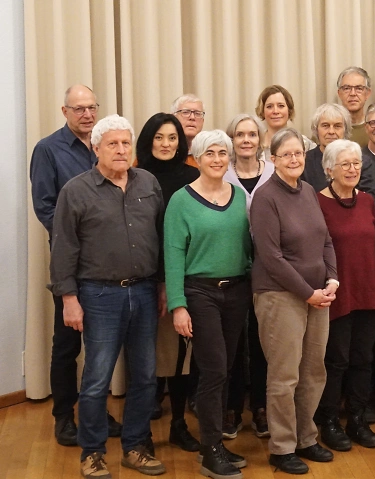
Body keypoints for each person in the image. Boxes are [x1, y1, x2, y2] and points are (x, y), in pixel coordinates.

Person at [49, 114, 165, 477]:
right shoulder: (76, 191)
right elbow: (63, 249)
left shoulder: (148, 182)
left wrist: (162, 286)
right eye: (112, 144)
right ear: (96, 148)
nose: (120, 150)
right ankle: (93, 451)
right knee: (97, 378)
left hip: (145, 292)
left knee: (145, 375)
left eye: (125, 143)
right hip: (99, 295)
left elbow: (161, 241)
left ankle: (134, 447)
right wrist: (69, 298)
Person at [30, 84, 122, 446]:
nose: (86, 114)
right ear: (64, 111)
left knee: (102, 345)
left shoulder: (103, 147)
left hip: (107, 265)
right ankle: (63, 418)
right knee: (67, 344)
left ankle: (96, 413)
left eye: (91, 107)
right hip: (71, 262)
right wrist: (81, 238)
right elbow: (45, 207)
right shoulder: (48, 150)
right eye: (78, 108)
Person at [164, 130, 252, 479]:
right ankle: (210, 449)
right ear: (196, 159)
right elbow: (173, 255)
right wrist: (178, 305)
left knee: (226, 368)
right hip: (199, 293)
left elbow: (248, 246)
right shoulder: (180, 201)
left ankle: (215, 442)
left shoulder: (238, 196)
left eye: (222, 153)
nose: (217, 159)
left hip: (236, 292)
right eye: (209, 153)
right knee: (214, 369)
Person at [250, 128, 337, 475]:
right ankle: (282, 446)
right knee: (284, 376)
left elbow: (326, 239)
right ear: (273, 160)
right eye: (286, 155)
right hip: (279, 295)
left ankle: (306, 437)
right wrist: (308, 292)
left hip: (318, 294)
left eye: (298, 153)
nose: (294, 159)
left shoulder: (310, 192)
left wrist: (332, 278)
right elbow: (271, 257)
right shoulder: (265, 197)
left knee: (314, 371)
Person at [314, 139, 375, 452]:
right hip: (335, 294)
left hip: (368, 290)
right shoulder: (316, 202)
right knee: (336, 360)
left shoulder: (369, 201)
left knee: (363, 358)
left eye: (356, 163)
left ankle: (357, 418)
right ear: (329, 168)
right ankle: (328, 420)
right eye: (345, 164)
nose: (352, 169)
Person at [135, 113, 200, 452]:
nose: (165, 144)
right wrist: (158, 280)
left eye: (172, 138)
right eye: (159, 137)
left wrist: (170, 283)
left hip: (182, 277)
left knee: (179, 359)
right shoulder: (134, 176)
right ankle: (141, 432)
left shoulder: (193, 176)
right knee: (145, 358)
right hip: (143, 278)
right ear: (148, 140)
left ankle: (178, 423)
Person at [223, 114, 276, 440]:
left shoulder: (272, 172)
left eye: (251, 134)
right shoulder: (221, 172)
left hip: (267, 270)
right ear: (232, 139)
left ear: (260, 139)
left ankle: (260, 406)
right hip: (230, 268)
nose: (246, 140)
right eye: (240, 134)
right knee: (231, 341)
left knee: (261, 341)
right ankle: (230, 407)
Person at [255, 85, 316, 160]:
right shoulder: (254, 145)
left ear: (289, 110)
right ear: (262, 111)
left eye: (281, 106)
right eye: (269, 107)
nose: (275, 111)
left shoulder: (306, 144)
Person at [302, 103, 352, 192]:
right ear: (316, 129)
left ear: (345, 130)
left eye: (337, 126)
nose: (331, 131)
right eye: (325, 126)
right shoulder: (304, 162)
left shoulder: (357, 161)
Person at [336, 66, 372, 148]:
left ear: (367, 93)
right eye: (347, 88)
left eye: (359, 88)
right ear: (339, 93)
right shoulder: (328, 130)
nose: (352, 93)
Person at [171, 94, 205, 168]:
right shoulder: (164, 151)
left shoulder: (209, 154)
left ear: (203, 121)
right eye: (185, 112)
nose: (192, 117)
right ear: (173, 118)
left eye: (197, 113)